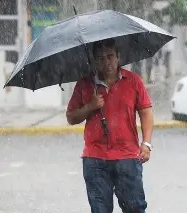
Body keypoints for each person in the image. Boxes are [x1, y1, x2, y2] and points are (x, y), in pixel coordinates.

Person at [66, 38, 154, 213]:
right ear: (94, 61)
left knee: (135, 208)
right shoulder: (84, 84)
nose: (106, 62)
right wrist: (90, 106)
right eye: (100, 58)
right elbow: (71, 117)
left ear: (118, 57)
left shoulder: (133, 80)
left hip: (127, 157)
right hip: (95, 159)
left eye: (110, 56)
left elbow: (146, 112)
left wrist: (146, 143)